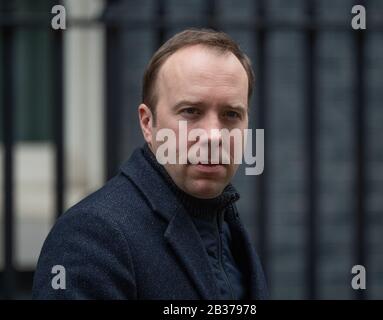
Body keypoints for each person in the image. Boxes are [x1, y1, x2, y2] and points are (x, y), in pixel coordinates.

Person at [32, 28, 268, 300]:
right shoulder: (91, 235)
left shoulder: (227, 227)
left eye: (230, 114)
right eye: (191, 111)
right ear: (148, 123)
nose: (214, 135)